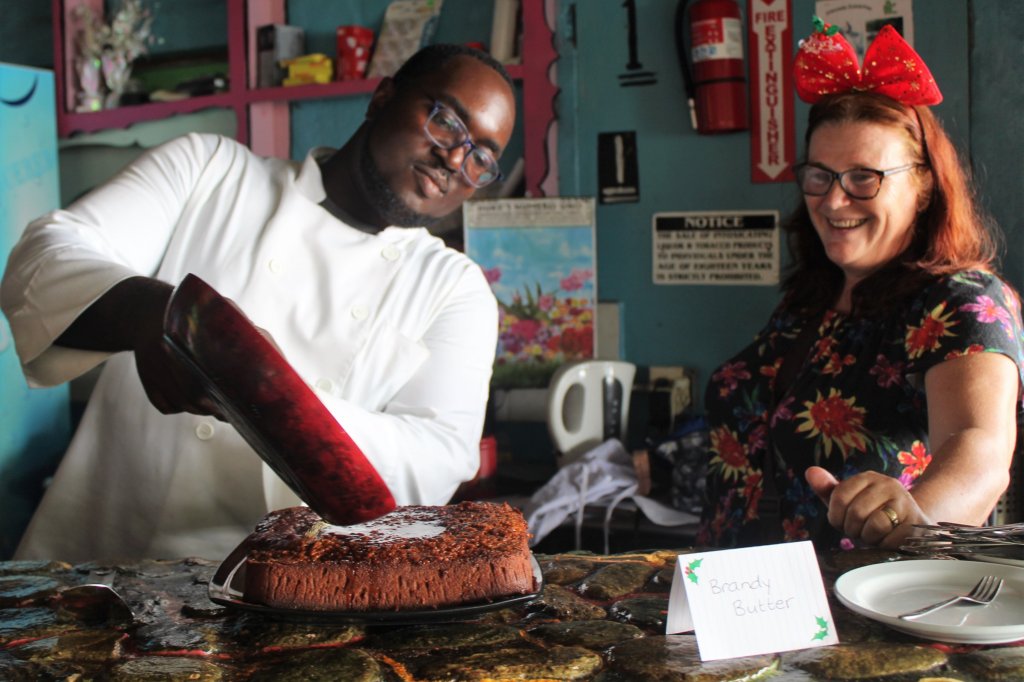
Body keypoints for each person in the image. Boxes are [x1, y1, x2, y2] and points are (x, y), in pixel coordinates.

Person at [1, 44, 517, 561]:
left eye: (482, 157)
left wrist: (267, 389)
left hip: (280, 603)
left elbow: (437, 458)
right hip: (95, 569)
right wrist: (157, 314)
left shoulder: (455, 288)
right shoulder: (210, 170)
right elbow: (43, 257)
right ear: (383, 96)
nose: (454, 159)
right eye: (447, 121)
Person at [697, 21, 1024, 550]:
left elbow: (980, 449)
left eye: (864, 178)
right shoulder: (812, 298)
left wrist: (916, 521)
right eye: (820, 175)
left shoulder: (962, 299)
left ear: (922, 186)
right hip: (746, 599)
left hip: (860, 608)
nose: (833, 201)